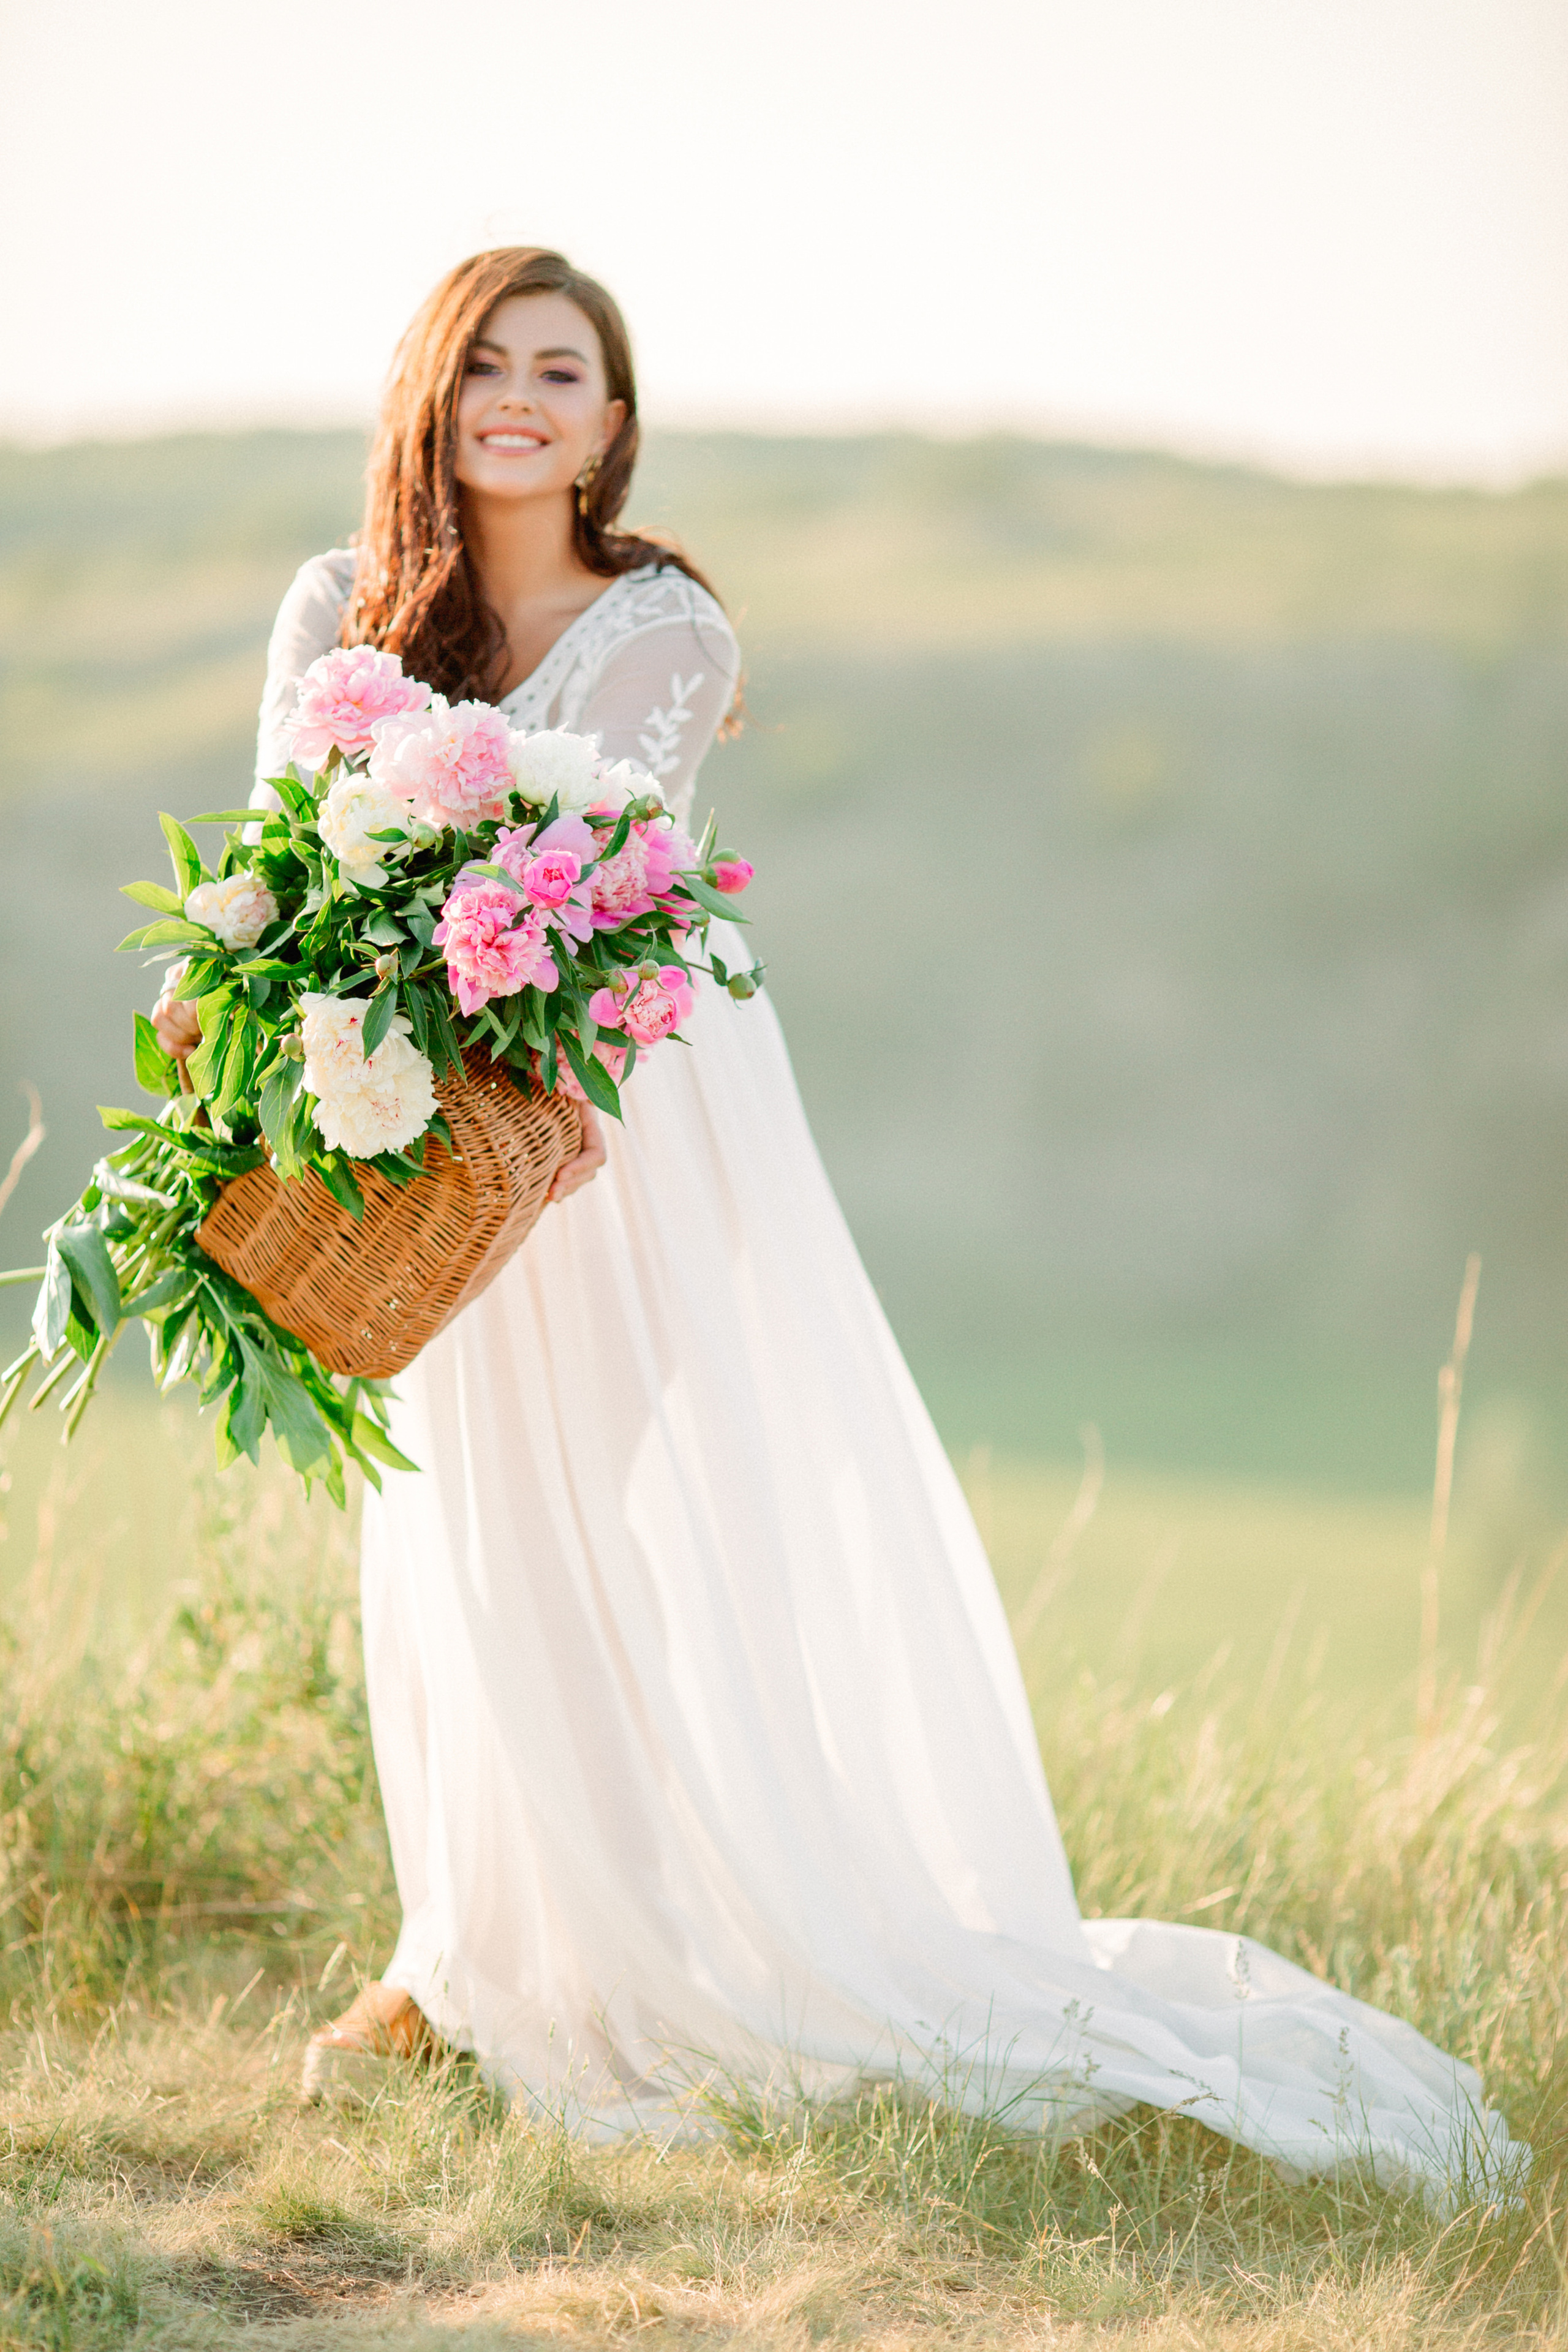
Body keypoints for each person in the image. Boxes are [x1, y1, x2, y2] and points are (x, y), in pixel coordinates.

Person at [156, 248, 1519, 2194]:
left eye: (564, 372)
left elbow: (580, 884)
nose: (522, 400)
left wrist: (400, 927)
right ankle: (456, 1962)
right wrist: (253, 1000)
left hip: (607, 1113)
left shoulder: (665, 627)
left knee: (603, 1535)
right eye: (489, 365)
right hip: (402, 1118)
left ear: (614, 422)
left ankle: (625, 1970)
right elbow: (293, 841)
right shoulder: (338, 606)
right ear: (433, 391)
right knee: (451, 1527)